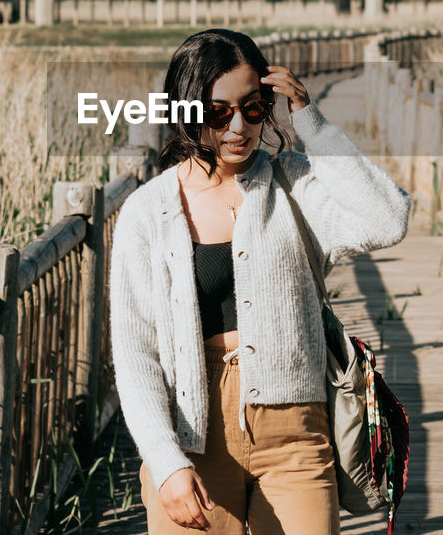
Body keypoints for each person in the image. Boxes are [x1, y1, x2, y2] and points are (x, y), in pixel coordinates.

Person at [109, 28, 410, 534]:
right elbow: (136, 352)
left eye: (252, 108)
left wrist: (311, 121)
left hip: (296, 434)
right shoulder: (148, 212)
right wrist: (166, 463)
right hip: (193, 439)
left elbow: (387, 219)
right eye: (218, 111)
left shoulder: (292, 185)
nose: (238, 128)